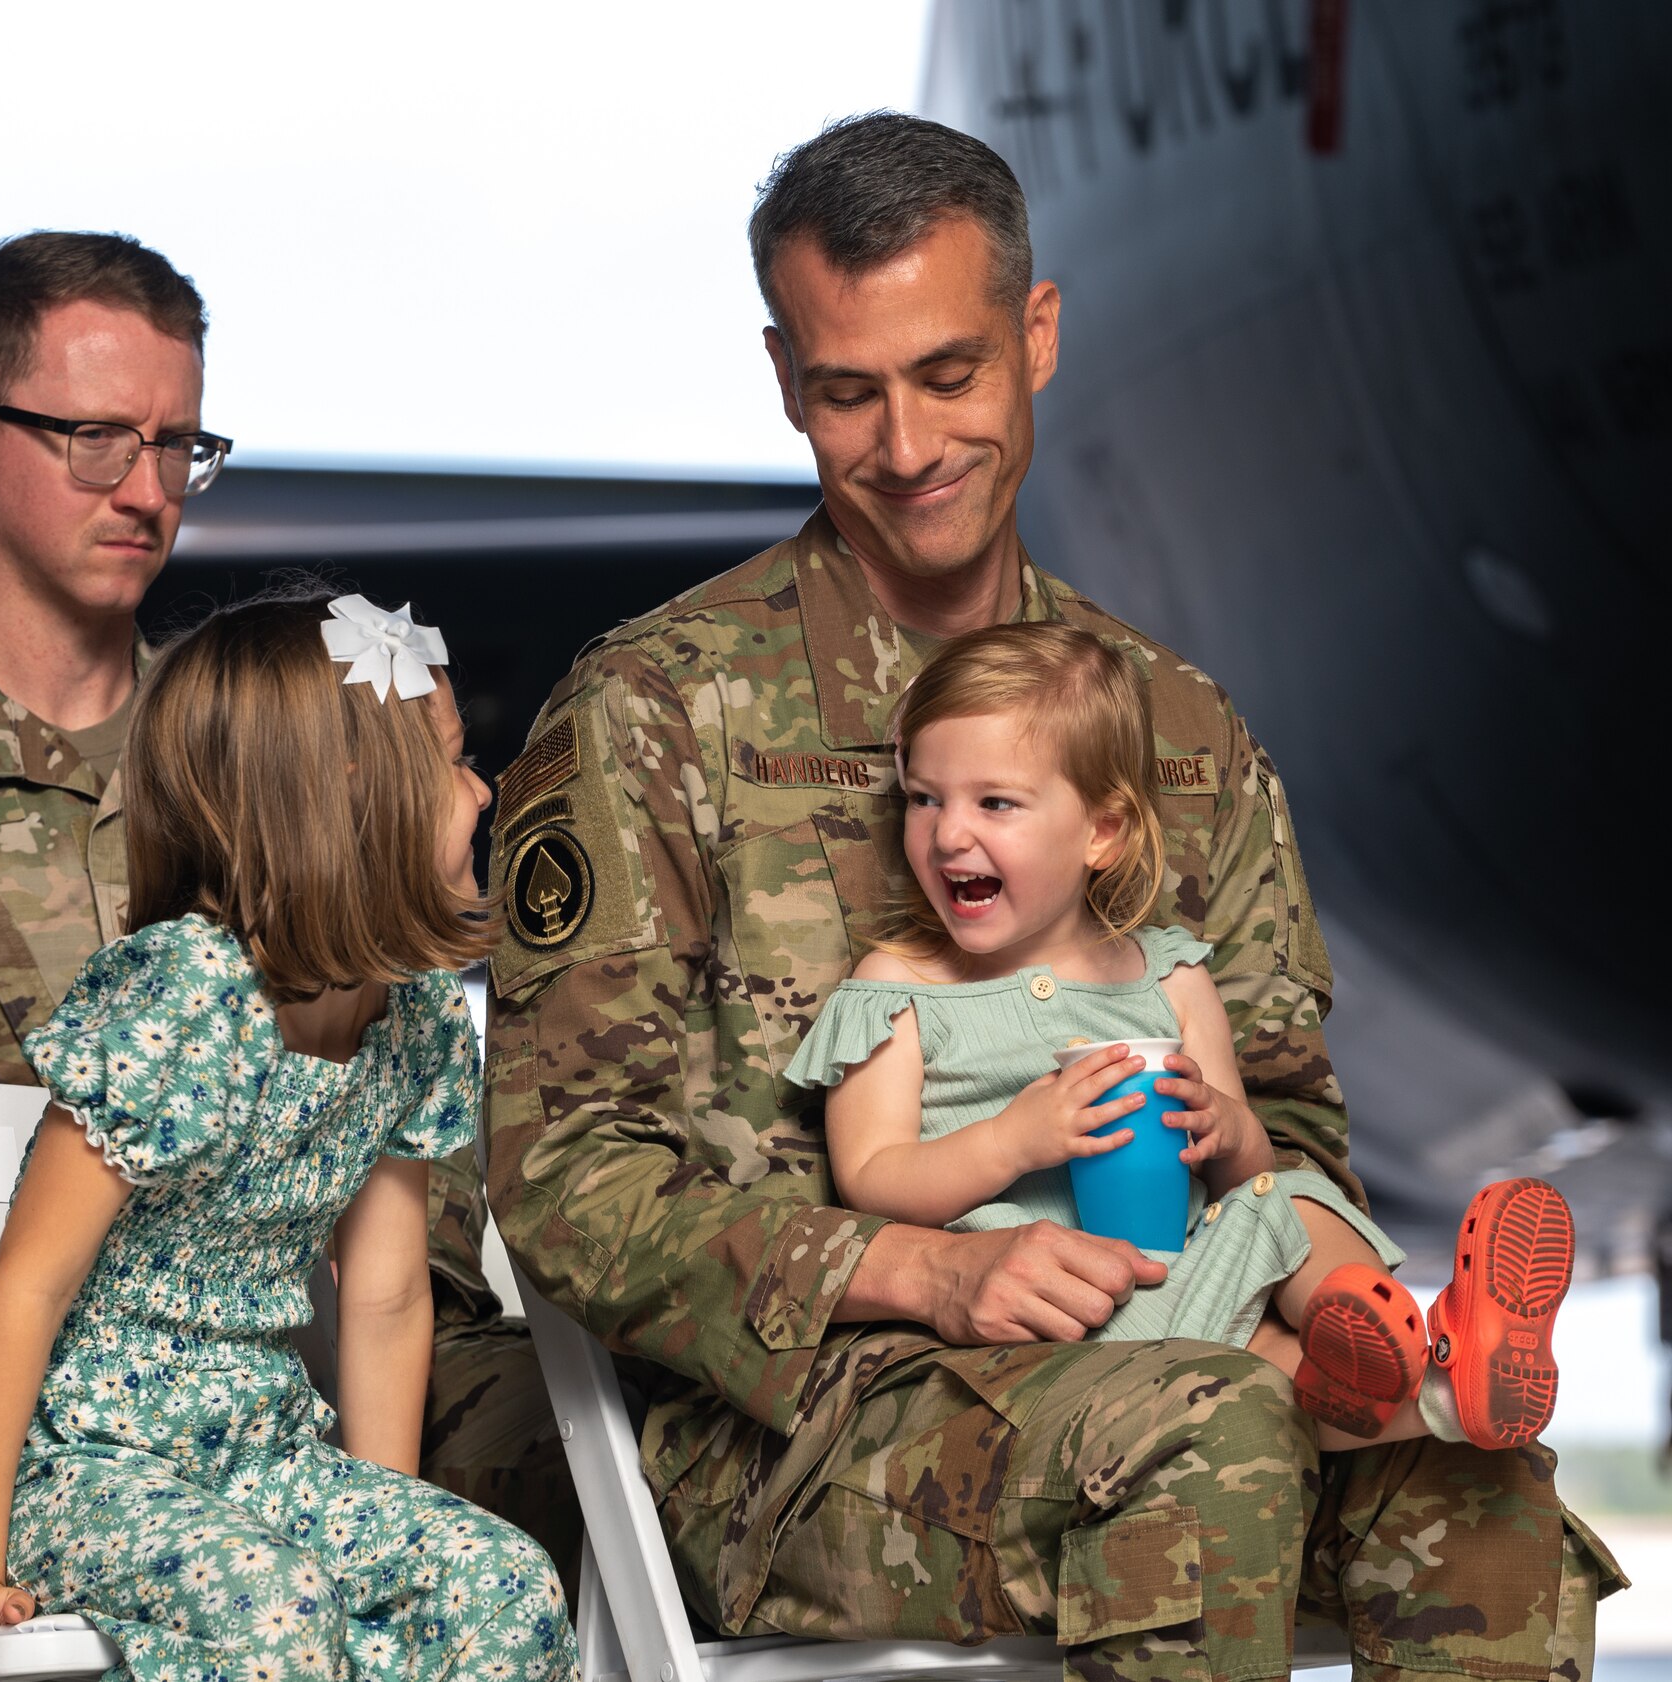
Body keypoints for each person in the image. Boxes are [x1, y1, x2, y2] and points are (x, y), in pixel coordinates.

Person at [483, 112, 1622, 1678]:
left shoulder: (1180, 734)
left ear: (1039, 333)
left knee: (1481, 1490)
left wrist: (1237, 1166)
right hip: (798, 1429)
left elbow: (1284, 1126)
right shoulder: (654, 714)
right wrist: (924, 1265)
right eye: (845, 392)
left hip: (1175, 1350)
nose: (904, 445)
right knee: (1209, 1445)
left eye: (949, 374)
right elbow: (564, 1185)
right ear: (781, 379)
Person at [0, 230, 573, 1598]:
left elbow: (404, 1147)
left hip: (313, 1345)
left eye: (180, 446)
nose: (148, 487)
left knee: (608, 1429)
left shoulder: (281, 738)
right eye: (98, 439)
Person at [0, 591, 576, 1682]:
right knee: (270, 1604)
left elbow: (388, 1293)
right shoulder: (184, 997)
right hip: (84, 1463)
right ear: (350, 807)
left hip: (256, 1452)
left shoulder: (408, 1016)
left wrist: (380, 1527)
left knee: (495, 1579)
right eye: (449, 765)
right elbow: (21, 1290)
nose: (482, 787)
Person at [787, 621, 1574, 1450]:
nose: (948, 834)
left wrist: (1228, 1131)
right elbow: (872, 1179)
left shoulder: (1168, 976)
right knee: (1257, 1379)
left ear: (1102, 831)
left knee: (1290, 1211)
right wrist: (1014, 1140)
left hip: (1190, 1275)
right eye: (924, 798)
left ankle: (1430, 1375)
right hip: (1045, 1319)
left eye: (995, 803)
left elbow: (1245, 1171)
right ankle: (1406, 1360)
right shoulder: (897, 988)